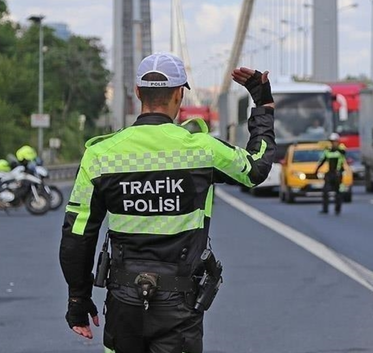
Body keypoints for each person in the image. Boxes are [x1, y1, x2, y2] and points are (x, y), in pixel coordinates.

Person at [59, 52, 276, 353]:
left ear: (138, 93)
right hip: (180, 305)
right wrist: (262, 105)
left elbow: (77, 235)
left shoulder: (101, 155)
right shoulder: (202, 149)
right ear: (179, 94)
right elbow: (257, 168)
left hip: (124, 302)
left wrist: (77, 300)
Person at [314, 133, 346, 215]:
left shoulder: (341, 150)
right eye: (332, 142)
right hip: (330, 173)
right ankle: (325, 209)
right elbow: (322, 161)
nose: (333, 143)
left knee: (338, 192)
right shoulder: (327, 151)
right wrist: (316, 170)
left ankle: (337, 209)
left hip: (338, 174)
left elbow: (344, 153)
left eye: (335, 141)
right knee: (325, 191)